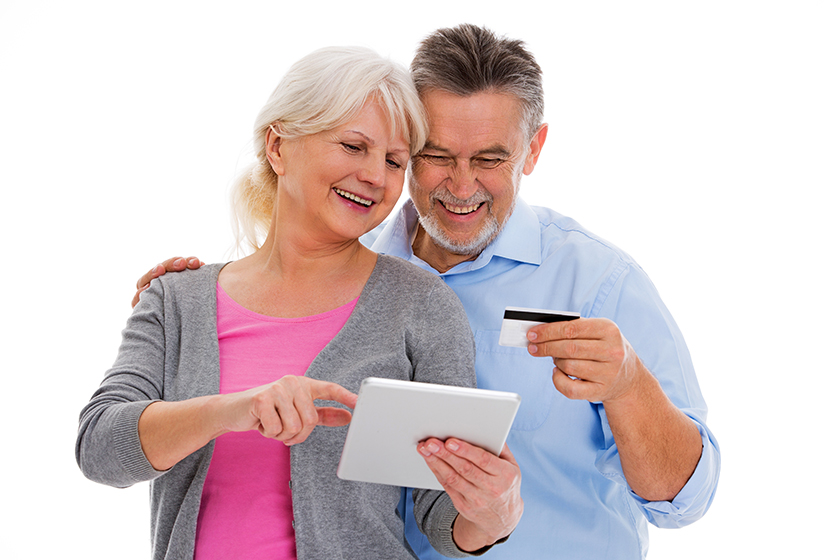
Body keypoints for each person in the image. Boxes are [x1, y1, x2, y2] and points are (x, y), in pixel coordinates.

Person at [135, 24, 721, 559]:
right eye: (435, 157)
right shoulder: (357, 268)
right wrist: (184, 301)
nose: (462, 184)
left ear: (534, 150)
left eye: (490, 159)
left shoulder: (597, 282)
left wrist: (628, 385)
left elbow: (684, 499)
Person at [77, 46, 523, 560]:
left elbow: (441, 514)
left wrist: (490, 517)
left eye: (395, 160)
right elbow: (99, 449)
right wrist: (234, 410)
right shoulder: (176, 298)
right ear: (278, 145)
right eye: (354, 146)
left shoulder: (422, 306)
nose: (376, 176)